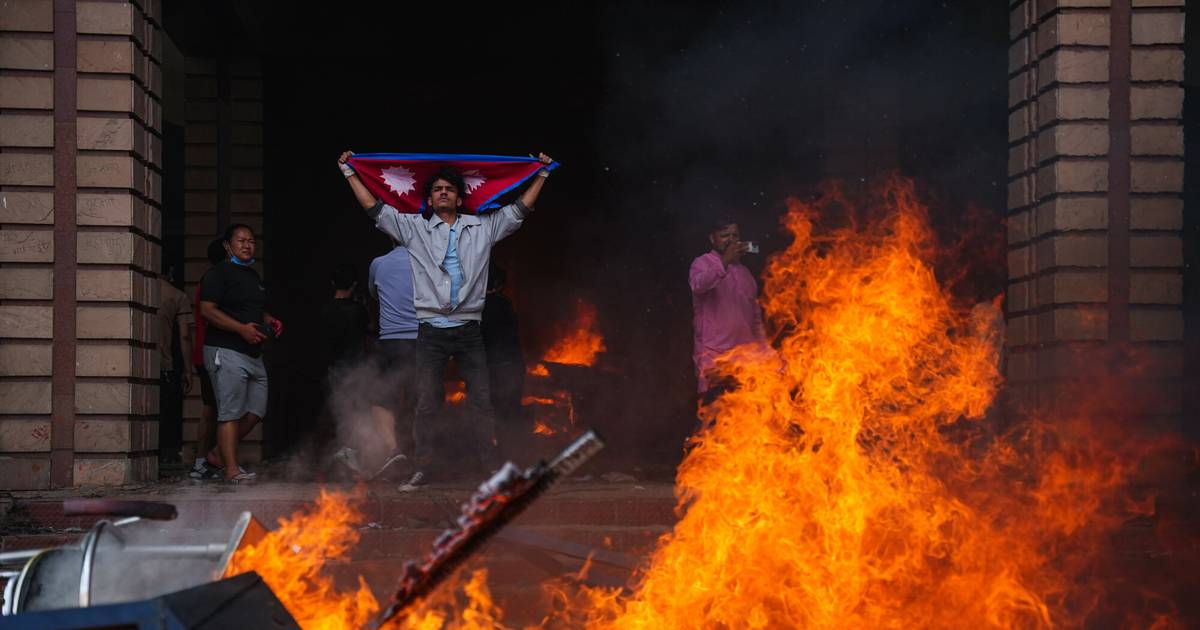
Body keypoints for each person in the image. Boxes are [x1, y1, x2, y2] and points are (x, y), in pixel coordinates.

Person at [338, 150, 553, 486]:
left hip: (469, 331)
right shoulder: (415, 230)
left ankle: (489, 467)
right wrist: (349, 172)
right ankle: (422, 467)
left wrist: (542, 174)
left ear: (459, 198)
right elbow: (374, 209)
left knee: (481, 401)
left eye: (449, 189)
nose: (442, 193)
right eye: (437, 189)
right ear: (429, 198)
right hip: (431, 331)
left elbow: (518, 211)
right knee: (426, 404)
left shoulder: (481, 228)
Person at [199, 224, 283, 482]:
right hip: (226, 350)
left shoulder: (253, 276)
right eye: (241, 240)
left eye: (251, 241)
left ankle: (217, 453)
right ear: (228, 245)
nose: (247, 245)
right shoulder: (218, 274)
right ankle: (231, 470)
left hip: (253, 353)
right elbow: (207, 310)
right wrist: (240, 329)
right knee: (230, 412)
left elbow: (255, 309)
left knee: (256, 410)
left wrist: (270, 320)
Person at [689, 218, 766, 404]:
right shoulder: (702, 263)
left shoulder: (746, 274)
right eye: (725, 235)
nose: (731, 240)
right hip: (715, 359)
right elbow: (698, 285)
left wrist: (765, 351)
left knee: (746, 415)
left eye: (735, 235)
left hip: (746, 360)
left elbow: (755, 319)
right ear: (712, 238)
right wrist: (724, 262)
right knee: (716, 414)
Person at [368, 241, 420, 456]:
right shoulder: (426, 262)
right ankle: (420, 452)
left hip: (390, 340)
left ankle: (393, 450)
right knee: (419, 400)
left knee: (380, 401)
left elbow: (374, 293)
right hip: (420, 340)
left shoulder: (379, 263)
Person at [190, 238, 227, 480]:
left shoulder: (210, 279)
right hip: (212, 353)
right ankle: (204, 461)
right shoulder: (215, 280)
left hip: (207, 352)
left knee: (214, 409)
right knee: (212, 410)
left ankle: (205, 460)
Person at [481, 263, 526, 456]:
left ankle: (493, 454)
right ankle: (510, 453)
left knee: (492, 413)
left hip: (492, 369)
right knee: (509, 412)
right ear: (499, 284)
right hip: (512, 367)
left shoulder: (478, 306)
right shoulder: (506, 304)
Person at [156, 265, 193, 465]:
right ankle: (165, 456)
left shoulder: (140, 287)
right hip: (164, 363)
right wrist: (188, 370)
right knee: (165, 413)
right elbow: (185, 336)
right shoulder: (178, 296)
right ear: (170, 271)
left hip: (137, 363)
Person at [320, 263, 370, 373]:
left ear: (333, 282)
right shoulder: (358, 309)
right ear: (354, 284)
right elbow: (370, 331)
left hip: (332, 367)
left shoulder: (325, 310)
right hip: (356, 366)